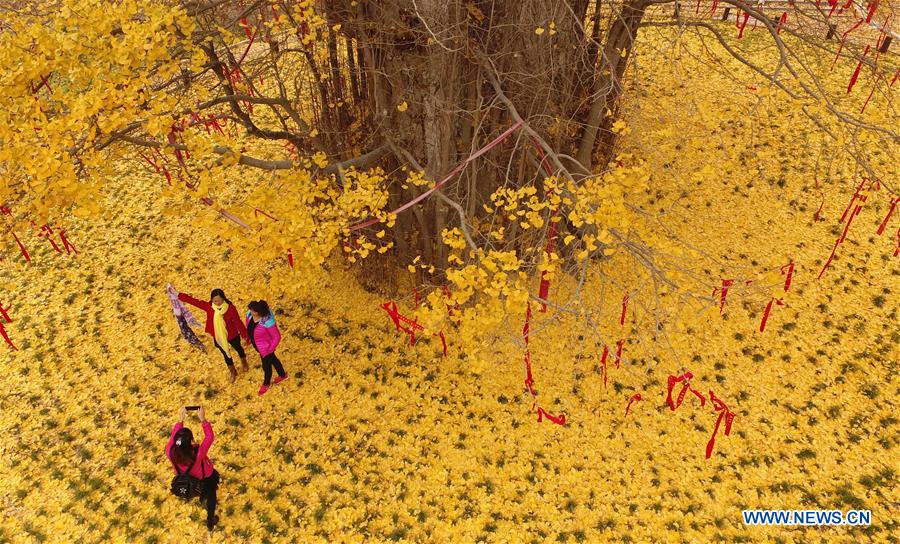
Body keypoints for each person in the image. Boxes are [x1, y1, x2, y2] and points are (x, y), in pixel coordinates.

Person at [165, 406, 220, 530]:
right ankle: (210, 520)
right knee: (212, 496)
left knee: (206, 495)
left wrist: (180, 420)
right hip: (205, 478)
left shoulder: (169, 451)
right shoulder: (197, 454)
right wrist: (203, 420)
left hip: (185, 478)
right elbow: (209, 437)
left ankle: (203, 498)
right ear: (191, 441)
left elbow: (173, 437)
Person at [177, 288, 248, 382]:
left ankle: (243, 361)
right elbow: (194, 301)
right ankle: (232, 371)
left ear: (223, 298)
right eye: (214, 301)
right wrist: (179, 295)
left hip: (231, 334)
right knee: (226, 354)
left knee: (238, 348)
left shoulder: (230, 308)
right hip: (218, 335)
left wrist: (244, 334)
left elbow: (237, 321)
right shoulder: (209, 306)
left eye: (219, 300)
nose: (217, 302)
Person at [246, 300, 288, 395]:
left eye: (253, 311)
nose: (250, 311)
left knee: (266, 366)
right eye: (251, 309)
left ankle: (266, 383)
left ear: (260, 312)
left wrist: (269, 349)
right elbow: (248, 325)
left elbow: (277, 337)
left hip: (265, 349)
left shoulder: (267, 322)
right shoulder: (249, 314)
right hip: (259, 346)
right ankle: (282, 375)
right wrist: (249, 337)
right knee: (273, 359)